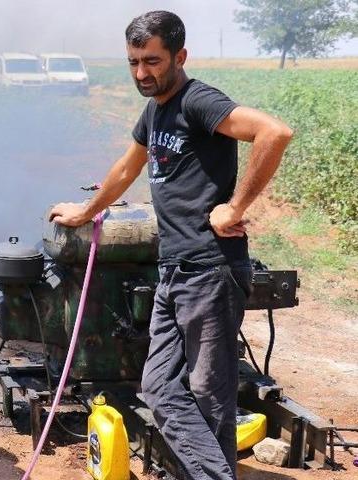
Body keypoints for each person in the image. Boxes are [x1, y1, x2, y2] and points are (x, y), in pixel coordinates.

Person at [49, 10, 292, 480]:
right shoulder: (156, 110)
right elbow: (127, 167)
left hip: (210, 269)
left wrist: (235, 208)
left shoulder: (198, 101)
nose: (142, 72)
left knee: (210, 396)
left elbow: (274, 132)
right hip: (174, 271)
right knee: (160, 387)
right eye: (134, 62)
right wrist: (85, 212)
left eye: (153, 61)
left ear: (180, 57)